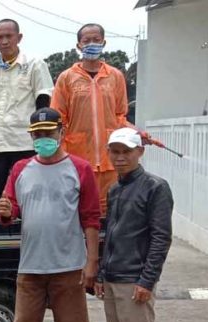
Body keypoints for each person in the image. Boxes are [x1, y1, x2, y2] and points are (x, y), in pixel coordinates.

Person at [0, 107, 100, 322]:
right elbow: (9, 208)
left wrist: (91, 263)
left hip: (69, 264)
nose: (43, 138)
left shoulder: (80, 169)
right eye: (37, 134)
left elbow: (90, 219)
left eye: (48, 133)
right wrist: (5, 211)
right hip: (31, 265)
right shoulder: (20, 169)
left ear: (62, 133)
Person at [93, 128, 173, 322]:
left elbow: (161, 237)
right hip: (113, 277)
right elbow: (110, 235)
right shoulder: (115, 189)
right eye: (115, 151)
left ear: (140, 152)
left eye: (126, 151)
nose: (120, 157)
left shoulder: (155, 187)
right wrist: (101, 273)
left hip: (135, 280)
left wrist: (147, 280)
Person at [51, 23, 148, 215]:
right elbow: (58, 118)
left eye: (96, 40)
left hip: (109, 157)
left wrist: (135, 132)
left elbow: (120, 116)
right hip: (77, 157)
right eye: (86, 41)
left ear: (104, 42)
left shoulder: (115, 76)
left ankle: (108, 246)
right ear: (78, 45)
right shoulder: (66, 78)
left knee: (110, 211)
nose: (92, 44)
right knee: (78, 209)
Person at [0, 18, 54, 220]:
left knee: (30, 190)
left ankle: (32, 227)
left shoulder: (34, 64)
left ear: (19, 37)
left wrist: (41, 134)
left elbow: (43, 99)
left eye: (9, 36)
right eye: (0, 37)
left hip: (25, 140)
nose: (5, 41)